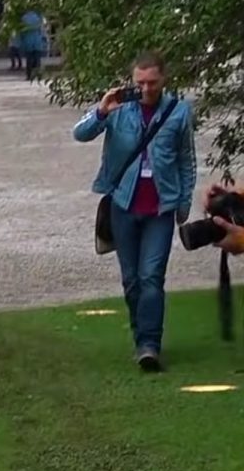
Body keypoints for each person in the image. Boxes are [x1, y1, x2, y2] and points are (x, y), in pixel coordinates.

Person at [73, 51, 197, 372]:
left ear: (163, 79)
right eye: (140, 82)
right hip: (123, 204)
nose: (145, 89)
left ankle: (149, 345)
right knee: (131, 280)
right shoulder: (119, 108)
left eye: (152, 82)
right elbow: (80, 133)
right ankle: (140, 335)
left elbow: (186, 160)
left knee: (151, 276)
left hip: (160, 207)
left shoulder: (178, 111)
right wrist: (102, 111)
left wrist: (184, 202)